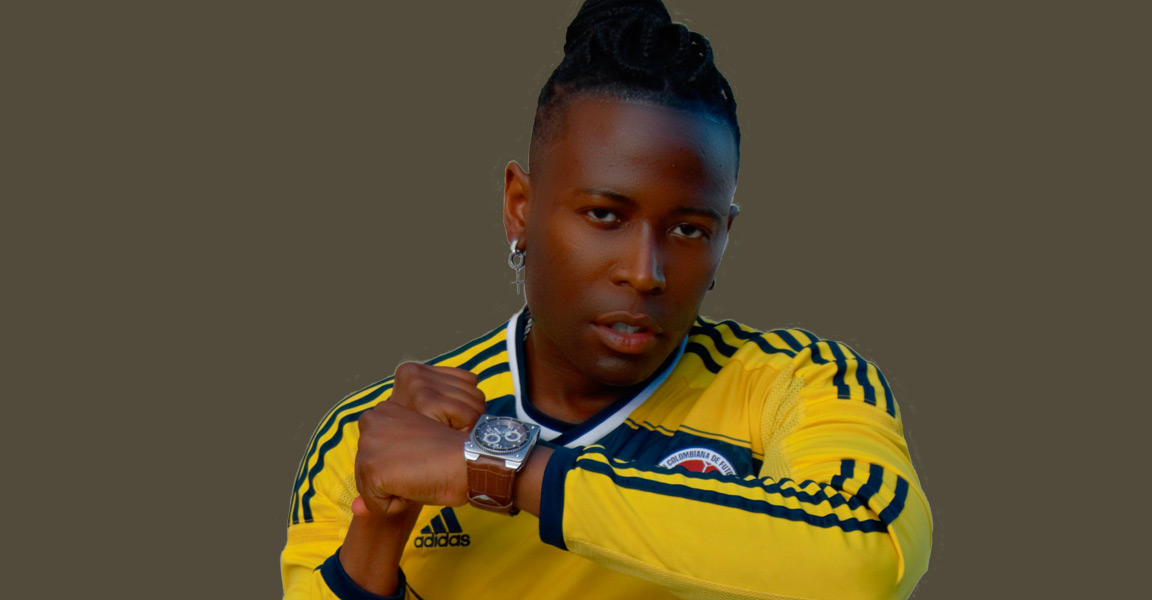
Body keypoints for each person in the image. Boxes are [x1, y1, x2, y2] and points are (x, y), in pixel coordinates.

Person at [281, 1, 932, 598]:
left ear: (724, 238)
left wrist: (505, 469)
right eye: (604, 215)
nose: (646, 273)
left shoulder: (797, 384)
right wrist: (379, 525)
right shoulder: (375, 429)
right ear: (520, 208)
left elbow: (868, 560)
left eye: (689, 229)